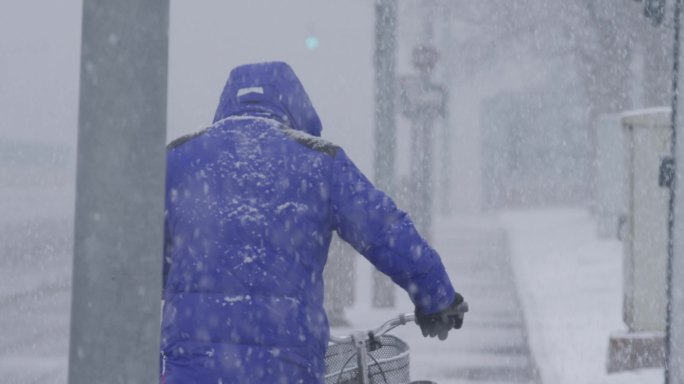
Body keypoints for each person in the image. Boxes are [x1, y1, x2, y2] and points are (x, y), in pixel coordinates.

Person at [160, 61, 466, 384]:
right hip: (285, 369)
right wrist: (437, 297)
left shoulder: (178, 160)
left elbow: (145, 261)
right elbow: (385, 230)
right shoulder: (318, 161)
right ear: (296, 108)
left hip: (190, 370)